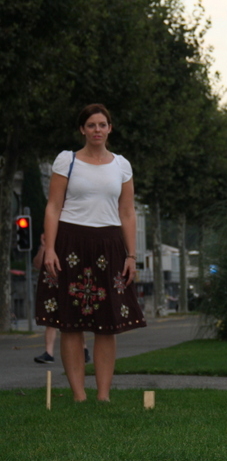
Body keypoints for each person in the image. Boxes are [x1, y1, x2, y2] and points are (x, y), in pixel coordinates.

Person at [35, 104, 146, 402]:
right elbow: (53, 207)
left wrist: (131, 256)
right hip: (70, 243)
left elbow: (127, 212)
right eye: (91, 125)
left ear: (110, 128)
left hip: (109, 245)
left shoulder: (121, 165)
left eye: (102, 124)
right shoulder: (67, 161)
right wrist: (50, 249)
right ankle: (79, 395)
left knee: (106, 324)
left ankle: (103, 396)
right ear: (82, 130)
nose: (97, 130)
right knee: (70, 323)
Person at [33, 236, 90, 365]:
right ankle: (49, 352)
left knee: (75, 317)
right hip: (53, 284)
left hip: (70, 282)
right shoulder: (49, 245)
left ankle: (83, 348)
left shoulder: (71, 241)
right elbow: (37, 264)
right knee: (51, 318)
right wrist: (44, 247)